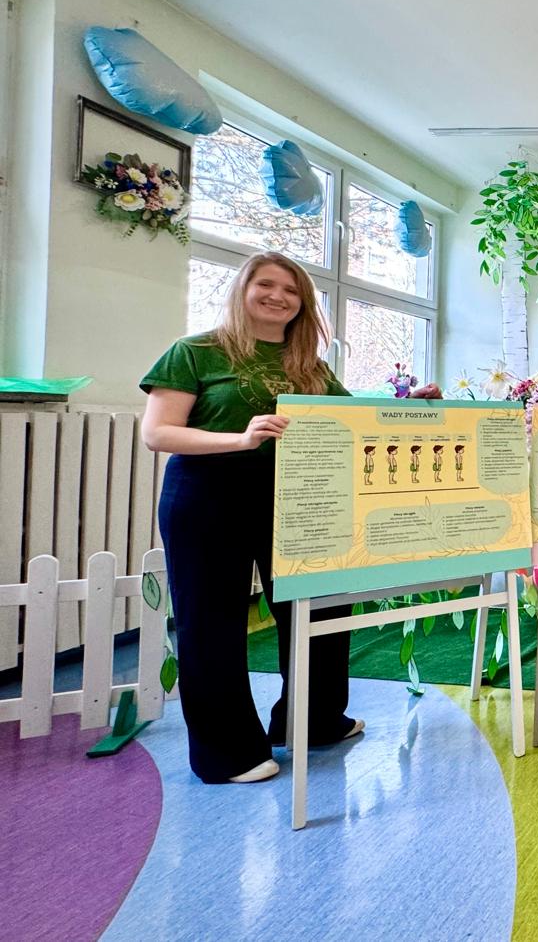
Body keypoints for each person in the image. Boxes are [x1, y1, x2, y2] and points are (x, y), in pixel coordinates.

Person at [141, 250, 438, 785]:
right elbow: (158, 433)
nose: (278, 296)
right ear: (243, 288)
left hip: (300, 497)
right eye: (266, 284)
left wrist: (409, 405)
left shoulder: (309, 365)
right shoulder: (195, 352)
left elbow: (353, 419)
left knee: (319, 607)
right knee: (211, 622)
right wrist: (241, 439)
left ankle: (314, 722)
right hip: (207, 495)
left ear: (303, 303)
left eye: (292, 289)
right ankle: (227, 754)